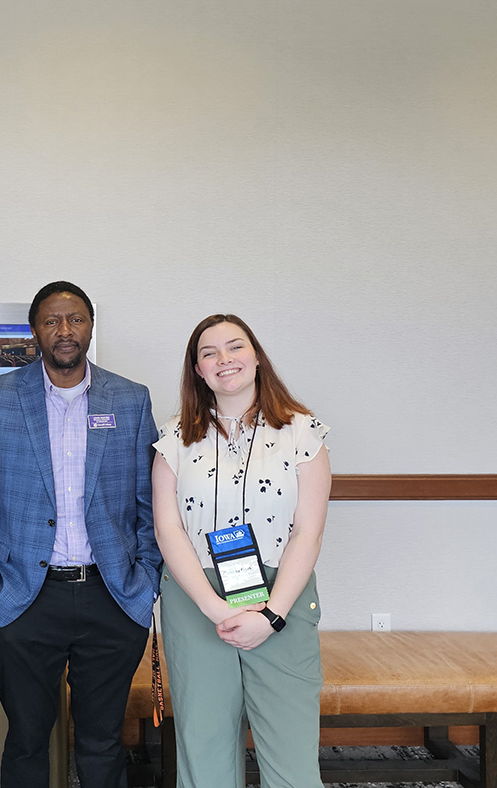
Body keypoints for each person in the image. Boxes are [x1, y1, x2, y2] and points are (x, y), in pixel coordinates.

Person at [0, 281, 161, 788]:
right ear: (34, 332)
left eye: (75, 319)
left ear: (91, 326)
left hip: (111, 597)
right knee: (27, 738)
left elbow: (151, 503)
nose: (64, 331)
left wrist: (147, 580)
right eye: (52, 321)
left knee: (101, 739)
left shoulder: (131, 400)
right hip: (27, 598)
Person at [151, 313, 331, 788]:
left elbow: (307, 533)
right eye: (208, 353)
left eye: (235, 347)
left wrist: (270, 615)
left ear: (256, 356)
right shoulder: (174, 437)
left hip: (282, 595)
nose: (223, 360)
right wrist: (214, 609)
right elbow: (168, 530)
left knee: (291, 755)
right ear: (197, 369)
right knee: (203, 749)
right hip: (195, 599)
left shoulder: (301, 431)